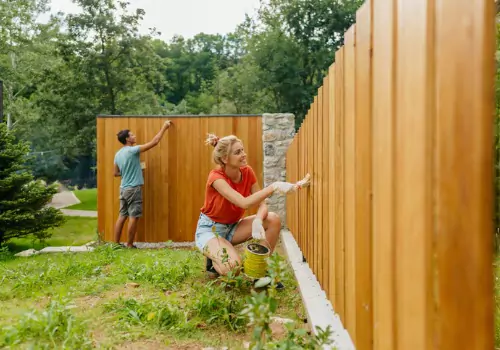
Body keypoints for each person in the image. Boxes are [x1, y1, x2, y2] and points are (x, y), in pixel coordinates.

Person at [195, 133, 298, 284]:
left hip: (233, 227)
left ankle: (259, 273)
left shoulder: (247, 172)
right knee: (233, 267)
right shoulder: (216, 178)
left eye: (242, 150)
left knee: (273, 219)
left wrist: (257, 219)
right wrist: (273, 186)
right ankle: (213, 261)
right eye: (237, 152)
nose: (243, 155)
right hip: (211, 230)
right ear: (225, 159)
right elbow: (243, 203)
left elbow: (262, 203)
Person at [113, 121, 172, 248]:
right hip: (134, 189)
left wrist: (132, 169)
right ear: (127, 139)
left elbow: (116, 173)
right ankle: (129, 245)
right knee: (134, 216)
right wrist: (164, 127)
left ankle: (115, 244)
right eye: (132, 135)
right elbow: (155, 142)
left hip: (123, 189)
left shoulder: (118, 154)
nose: (134, 136)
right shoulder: (133, 150)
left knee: (122, 215)